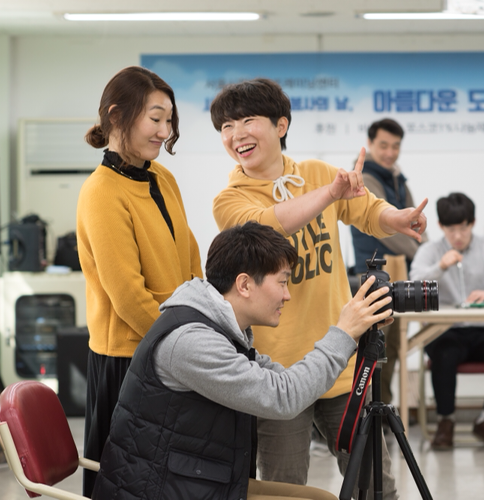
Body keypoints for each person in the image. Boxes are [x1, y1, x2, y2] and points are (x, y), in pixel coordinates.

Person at [210, 78, 428, 499]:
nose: (236, 134)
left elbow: (365, 209)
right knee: (284, 490)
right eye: (226, 127)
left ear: (280, 125)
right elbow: (270, 226)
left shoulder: (317, 174)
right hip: (277, 376)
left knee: (375, 486)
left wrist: (394, 218)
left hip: (343, 363)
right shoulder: (229, 200)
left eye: (247, 121)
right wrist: (329, 194)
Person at [92, 222, 394, 500]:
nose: (287, 296)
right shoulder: (193, 342)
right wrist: (343, 333)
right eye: (283, 282)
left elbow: (282, 380)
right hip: (158, 489)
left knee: (321, 497)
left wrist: (353, 336)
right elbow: (283, 397)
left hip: (191, 479)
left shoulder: (220, 328)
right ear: (245, 285)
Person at [77, 66, 203, 496]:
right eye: (155, 119)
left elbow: (190, 259)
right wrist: (186, 344)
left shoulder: (162, 178)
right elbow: (129, 297)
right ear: (117, 116)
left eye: (169, 120)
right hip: (129, 358)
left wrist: (204, 327)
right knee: (128, 485)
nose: (164, 132)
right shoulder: (101, 192)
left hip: (171, 345)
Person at [409, 193, 484, 449]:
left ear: (473, 223)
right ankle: (445, 421)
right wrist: (440, 267)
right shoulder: (430, 251)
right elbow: (413, 284)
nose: (458, 236)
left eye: (463, 228)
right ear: (440, 226)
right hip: (445, 330)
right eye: (451, 229)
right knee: (445, 352)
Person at [351, 118, 426, 408]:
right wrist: (423, 251)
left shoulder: (397, 176)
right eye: (383, 145)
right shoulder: (364, 177)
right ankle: (368, 411)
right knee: (375, 348)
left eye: (395, 146)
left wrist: (426, 248)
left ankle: (384, 408)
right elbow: (391, 228)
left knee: (393, 346)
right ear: (370, 144)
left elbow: (415, 219)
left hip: (399, 272)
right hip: (372, 274)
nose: (390, 152)